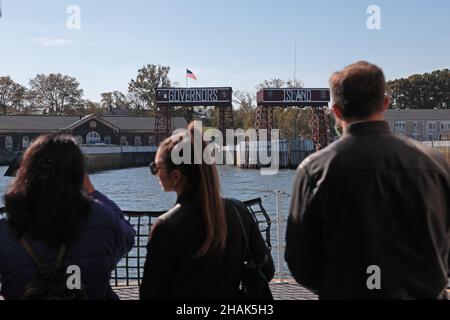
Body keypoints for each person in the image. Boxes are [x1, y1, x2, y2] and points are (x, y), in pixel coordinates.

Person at [285, 61, 450, 300]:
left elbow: (300, 260)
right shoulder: (434, 164)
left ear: (336, 111)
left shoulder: (314, 170)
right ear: (385, 103)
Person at [140, 122, 274, 300]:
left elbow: (151, 294)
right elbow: (267, 269)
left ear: (176, 175)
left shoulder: (166, 227)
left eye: (155, 168)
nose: (155, 173)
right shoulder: (238, 211)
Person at [0, 134, 135, 300]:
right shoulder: (101, 217)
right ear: (78, 173)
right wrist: (92, 191)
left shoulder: (6, 230)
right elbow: (127, 238)